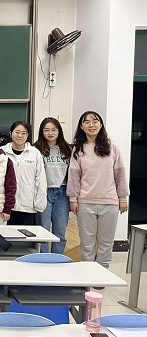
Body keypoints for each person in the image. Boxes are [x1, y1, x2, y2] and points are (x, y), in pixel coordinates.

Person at [67, 111, 129, 268]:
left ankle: (103, 272)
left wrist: (123, 198)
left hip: (109, 203)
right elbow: (74, 176)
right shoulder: (78, 149)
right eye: (86, 122)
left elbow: (120, 174)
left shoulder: (112, 147)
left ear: (101, 124)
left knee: (106, 243)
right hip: (85, 203)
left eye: (95, 121)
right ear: (81, 126)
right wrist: (73, 198)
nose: (91, 125)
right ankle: (88, 272)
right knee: (87, 242)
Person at [34, 117, 72, 254]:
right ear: (41, 132)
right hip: (43, 192)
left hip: (62, 192)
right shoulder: (35, 149)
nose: (50, 133)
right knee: (43, 230)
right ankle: (43, 259)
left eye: (53, 130)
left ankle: (57, 259)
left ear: (59, 131)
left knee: (60, 231)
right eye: (46, 130)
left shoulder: (68, 149)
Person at [2, 121, 47, 225]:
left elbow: (41, 179)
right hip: (6, 206)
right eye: (17, 132)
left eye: (24, 133)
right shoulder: (2, 152)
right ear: (10, 133)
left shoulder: (35, 153)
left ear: (28, 135)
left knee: (25, 234)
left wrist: (39, 203)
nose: (20, 136)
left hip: (28, 205)